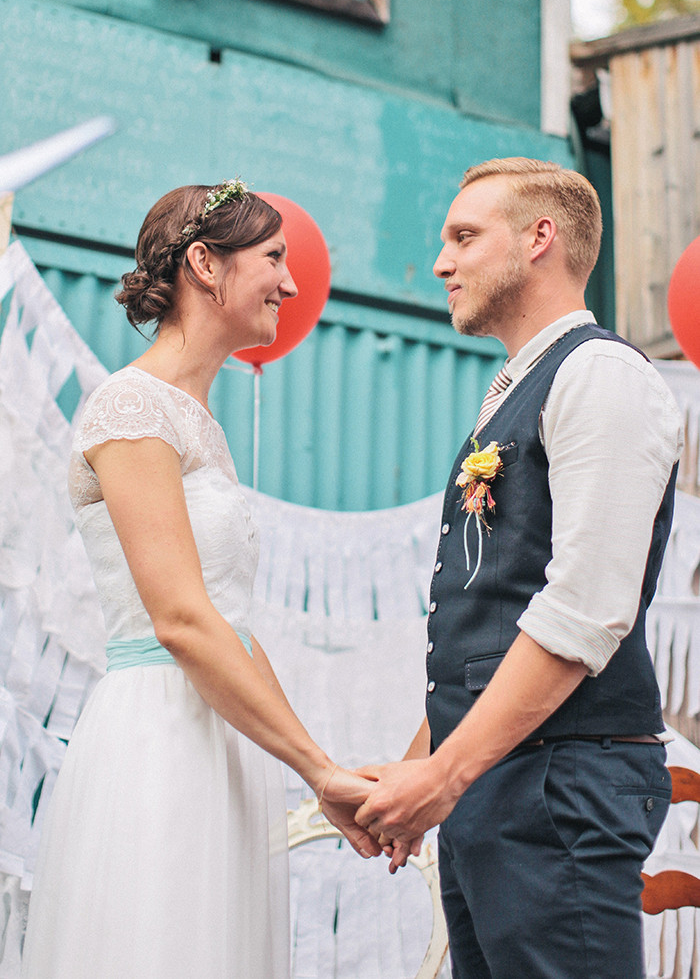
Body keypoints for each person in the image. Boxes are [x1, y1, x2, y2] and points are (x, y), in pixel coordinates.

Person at [21, 180, 382, 979]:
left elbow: (233, 624)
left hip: (226, 742)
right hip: (158, 739)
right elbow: (182, 620)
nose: (291, 284)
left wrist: (316, 764)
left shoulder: (200, 425)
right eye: (274, 259)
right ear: (204, 266)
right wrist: (315, 768)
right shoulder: (131, 410)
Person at [356, 158, 684, 979]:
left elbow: (583, 612)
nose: (441, 263)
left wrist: (445, 775)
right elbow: (494, 619)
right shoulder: (516, 392)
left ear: (541, 238)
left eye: (464, 237)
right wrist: (419, 771)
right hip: (496, 784)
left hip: (561, 782)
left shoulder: (600, 376)